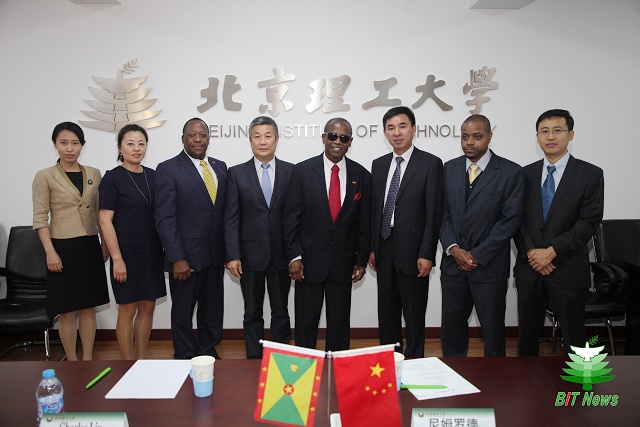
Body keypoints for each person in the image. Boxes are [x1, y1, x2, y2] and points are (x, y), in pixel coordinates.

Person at [515, 109, 604, 356]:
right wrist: (532, 253)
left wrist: (552, 252)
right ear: (537, 137)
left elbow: (588, 222)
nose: (550, 137)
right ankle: (527, 381)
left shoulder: (590, 174)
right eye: (544, 131)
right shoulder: (524, 174)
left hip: (567, 268)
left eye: (557, 130)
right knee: (527, 340)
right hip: (530, 268)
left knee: (574, 341)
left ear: (570, 134)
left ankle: (576, 382)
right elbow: (516, 220)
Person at [439, 114, 524, 357]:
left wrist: (476, 255)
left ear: (489, 136)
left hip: (489, 267)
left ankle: (495, 380)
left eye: (477, 136)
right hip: (454, 266)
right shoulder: (449, 168)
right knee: (452, 331)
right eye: (465, 137)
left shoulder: (510, 172)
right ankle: (452, 373)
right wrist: (453, 249)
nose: (469, 142)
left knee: (493, 332)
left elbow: (509, 221)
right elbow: (442, 214)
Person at [283, 118, 370, 351]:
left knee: (339, 326)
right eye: (332, 136)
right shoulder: (302, 171)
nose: (337, 142)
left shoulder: (361, 175)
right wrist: (294, 256)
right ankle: (304, 368)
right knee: (305, 324)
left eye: (343, 138)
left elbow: (364, 223)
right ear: (323, 138)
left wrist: (361, 259)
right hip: (308, 264)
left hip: (343, 264)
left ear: (350, 142)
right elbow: (290, 219)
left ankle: (337, 368)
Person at [368, 106, 443, 359]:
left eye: (402, 126)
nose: (397, 132)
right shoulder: (379, 165)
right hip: (384, 246)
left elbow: (434, 213)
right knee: (387, 313)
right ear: (385, 133)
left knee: (413, 314)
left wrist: (427, 253)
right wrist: (373, 248)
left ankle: (414, 362)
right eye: (391, 128)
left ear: (414, 129)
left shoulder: (430, 163)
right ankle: (389, 361)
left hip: (414, 251)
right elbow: (375, 210)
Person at [32, 121, 109, 361]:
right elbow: (40, 219)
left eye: (75, 143)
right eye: (63, 143)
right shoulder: (45, 176)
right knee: (67, 310)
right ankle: (72, 362)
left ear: (82, 145)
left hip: (89, 245)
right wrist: (50, 252)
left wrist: (104, 245)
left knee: (88, 307)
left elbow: (99, 214)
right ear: (55, 144)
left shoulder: (94, 173)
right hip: (62, 247)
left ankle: (87, 359)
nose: (69, 148)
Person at [154, 118, 227, 359]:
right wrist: (177, 257)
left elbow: (222, 213)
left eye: (203, 135)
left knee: (212, 309)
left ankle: (207, 350)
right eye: (192, 135)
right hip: (186, 258)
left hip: (215, 256)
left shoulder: (219, 167)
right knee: (183, 311)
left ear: (208, 138)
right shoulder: (168, 169)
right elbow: (165, 217)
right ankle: (184, 355)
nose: (198, 139)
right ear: (183, 138)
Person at [224, 116, 293, 358]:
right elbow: (231, 218)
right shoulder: (236, 173)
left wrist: (296, 255)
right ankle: (253, 359)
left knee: (281, 310)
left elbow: (295, 216)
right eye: (257, 136)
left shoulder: (291, 171)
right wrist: (232, 255)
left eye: (268, 136)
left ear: (277, 139)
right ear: (250, 139)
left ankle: (279, 357)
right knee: (252, 312)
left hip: (281, 255)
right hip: (249, 255)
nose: (263, 141)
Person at [99, 124, 166, 360]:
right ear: (120, 147)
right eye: (130, 143)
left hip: (152, 253)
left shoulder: (154, 176)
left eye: (141, 143)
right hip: (125, 254)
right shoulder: (112, 178)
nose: (136, 148)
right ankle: (127, 364)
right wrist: (117, 259)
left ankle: (141, 360)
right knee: (127, 309)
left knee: (147, 307)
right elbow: (104, 221)